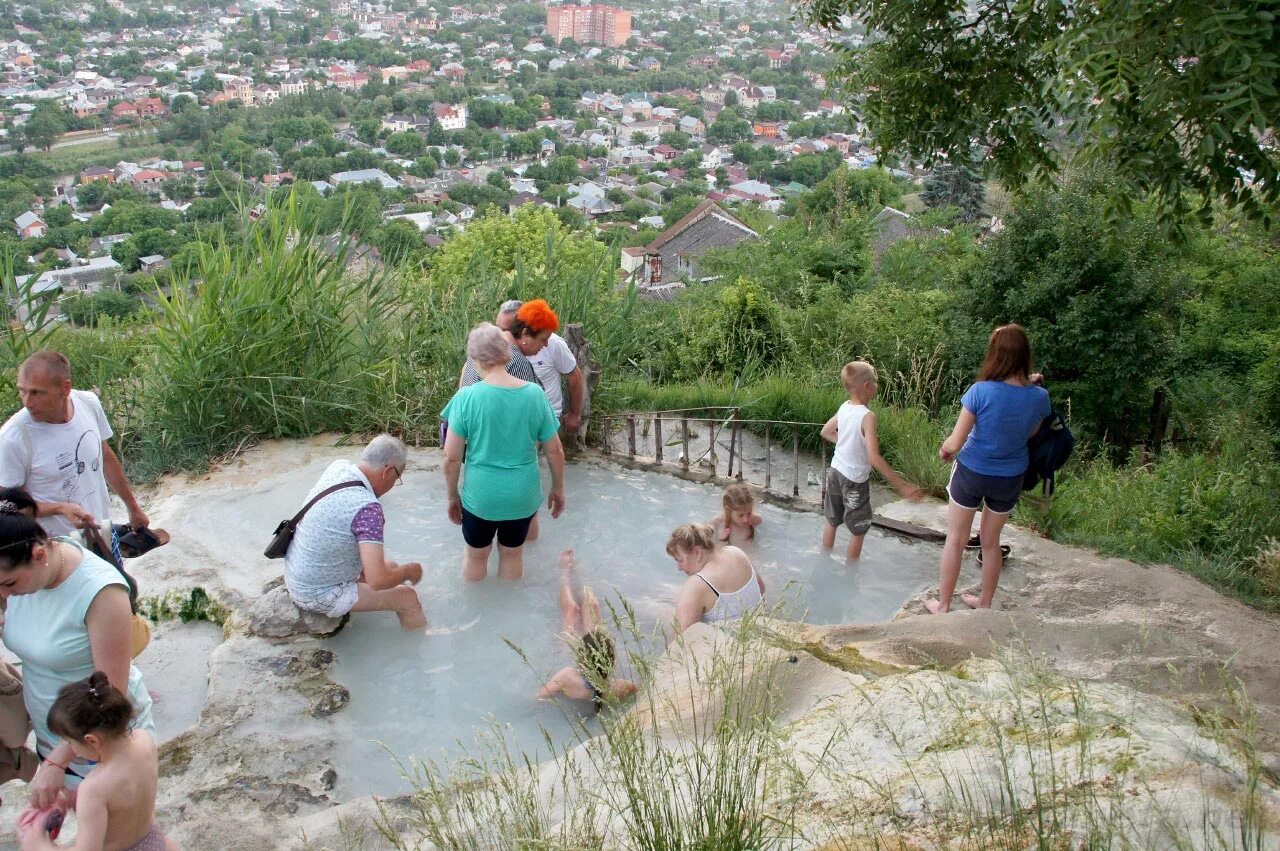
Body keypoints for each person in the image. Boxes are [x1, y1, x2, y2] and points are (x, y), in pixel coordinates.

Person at [0, 491, 154, 808]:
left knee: (120, 833)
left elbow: (111, 693)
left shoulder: (100, 592)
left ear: (39, 554)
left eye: (9, 584)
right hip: (54, 732)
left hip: (97, 739)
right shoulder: (27, 573)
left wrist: (58, 761)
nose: (5, 595)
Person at [927, 324, 1051, 614]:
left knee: (956, 539)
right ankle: (984, 604)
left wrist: (944, 450)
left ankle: (943, 604)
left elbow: (955, 442)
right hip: (1010, 477)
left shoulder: (979, 391)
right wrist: (1031, 386)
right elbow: (1031, 433)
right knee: (991, 542)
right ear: (1025, 355)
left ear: (995, 355)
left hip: (971, 471)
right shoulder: (1040, 397)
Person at [0, 351, 152, 567]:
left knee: (120, 596)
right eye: (22, 392)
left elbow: (105, 458)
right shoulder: (14, 438)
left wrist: (133, 507)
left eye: (37, 393)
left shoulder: (88, 404)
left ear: (65, 388)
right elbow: (8, 507)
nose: (28, 402)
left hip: (103, 535)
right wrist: (59, 509)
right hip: (56, 554)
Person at [442, 323, 566, 581]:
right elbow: (554, 450)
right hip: (522, 495)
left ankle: (476, 612)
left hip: (481, 496)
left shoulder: (466, 397)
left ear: (474, 358)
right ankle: (510, 614)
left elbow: (451, 458)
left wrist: (452, 496)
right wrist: (558, 488)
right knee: (513, 555)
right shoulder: (534, 394)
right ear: (507, 353)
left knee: (476, 556)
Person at [18, 672, 176, 851]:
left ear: (92, 740)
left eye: (70, 742)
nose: (71, 748)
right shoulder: (145, 739)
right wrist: (81, 802)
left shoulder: (93, 789)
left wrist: (38, 844)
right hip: (153, 842)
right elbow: (125, 802)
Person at [283, 434, 426, 629]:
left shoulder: (338, 468)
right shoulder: (368, 509)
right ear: (388, 471)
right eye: (398, 476)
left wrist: (398, 573)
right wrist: (409, 571)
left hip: (299, 572)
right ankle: (418, 651)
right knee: (408, 598)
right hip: (317, 593)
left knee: (391, 566)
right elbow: (378, 580)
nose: (395, 484)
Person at [820, 361, 923, 560]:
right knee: (858, 531)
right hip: (854, 481)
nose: (877, 385)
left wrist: (848, 445)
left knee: (831, 521)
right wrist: (902, 486)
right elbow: (874, 458)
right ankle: (850, 579)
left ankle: (823, 562)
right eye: (875, 382)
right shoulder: (868, 416)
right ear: (867, 386)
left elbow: (825, 431)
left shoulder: (844, 407)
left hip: (835, 472)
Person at [536, 549, 637, 711]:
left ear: (579, 658)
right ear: (612, 661)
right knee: (591, 606)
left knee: (571, 610)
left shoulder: (567, 676)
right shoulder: (621, 686)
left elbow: (539, 696)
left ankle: (564, 572)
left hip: (566, 656)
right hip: (594, 668)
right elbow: (641, 691)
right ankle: (581, 575)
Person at [495, 300, 586, 434]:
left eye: (507, 330)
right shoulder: (491, 348)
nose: (504, 335)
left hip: (542, 418)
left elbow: (575, 375)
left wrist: (575, 414)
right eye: (499, 329)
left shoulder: (553, 344)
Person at [668, 523, 766, 633]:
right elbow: (761, 589)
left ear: (697, 552)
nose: (679, 568)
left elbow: (681, 641)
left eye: (680, 560)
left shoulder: (696, 584)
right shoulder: (736, 552)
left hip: (731, 645)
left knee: (662, 611)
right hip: (759, 630)